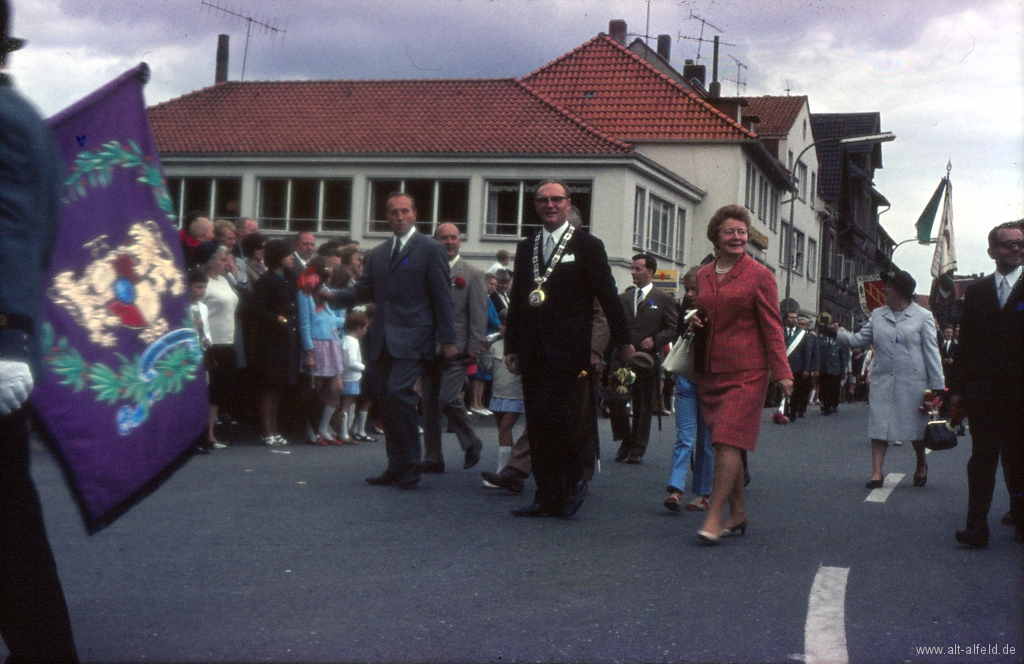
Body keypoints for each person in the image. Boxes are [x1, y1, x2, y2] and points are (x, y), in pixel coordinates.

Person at [0, 1, 79, 656]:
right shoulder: (22, 117)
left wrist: (7, 338)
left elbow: (13, 234)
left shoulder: (3, 120)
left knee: (10, 530)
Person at [504, 179, 633, 518]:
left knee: (559, 416)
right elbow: (519, 298)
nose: (550, 205)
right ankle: (546, 494)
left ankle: (574, 481)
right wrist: (511, 346)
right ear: (536, 206)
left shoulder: (587, 245)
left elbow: (608, 295)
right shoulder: (526, 246)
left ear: (568, 203)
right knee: (538, 418)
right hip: (532, 346)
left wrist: (623, 341)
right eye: (543, 200)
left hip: (569, 347)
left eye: (556, 200)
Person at [328, 192, 457, 490]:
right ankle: (395, 464)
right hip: (382, 338)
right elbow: (362, 290)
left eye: (404, 211)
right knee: (385, 400)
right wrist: (332, 296)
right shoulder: (380, 252)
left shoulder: (430, 249)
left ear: (414, 214)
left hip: (415, 336)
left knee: (400, 394)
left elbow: (442, 297)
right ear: (386, 217)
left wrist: (448, 340)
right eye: (393, 212)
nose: (398, 217)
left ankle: (412, 463)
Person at [690, 205, 792, 544]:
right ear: (716, 237)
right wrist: (691, 319)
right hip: (710, 371)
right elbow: (697, 311)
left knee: (727, 441)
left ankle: (714, 514)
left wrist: (782, 371)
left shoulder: (760, 275)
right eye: (730, 232)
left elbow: (772, 327)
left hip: (747, 371)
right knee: (724, 443)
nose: (737, 237)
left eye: (742, 232)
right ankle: (738, 513)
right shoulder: (704, 274)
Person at [830, 269, 944, 490]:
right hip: (883, 380)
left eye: (889, 286)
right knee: (879, 425)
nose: (885, 289)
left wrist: (937, 386)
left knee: (916, 430)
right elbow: (858, 339)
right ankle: (876, 473)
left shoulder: (923, 317)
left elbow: (932, 352)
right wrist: (835, 334)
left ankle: (921, 463)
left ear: (902, 291)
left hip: (913, 383)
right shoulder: (878, 315)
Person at [951, 221, 1024, 547]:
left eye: (1020, 244)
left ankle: (1021, 521)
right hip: (985, 393)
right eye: (1008, 244)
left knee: (1019, 459)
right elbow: (966, 345)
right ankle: (976, 527)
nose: (1016, 249)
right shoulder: (978, 292)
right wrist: (958, 391)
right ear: (992, 251)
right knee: (982, 459)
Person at [421, 222, 487, 472]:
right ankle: (433, 457)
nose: (449, 242)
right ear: (435, 241)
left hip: (458, 349)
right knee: (429, 404)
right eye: (443, 238)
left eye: (453, 237)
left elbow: (478, 314)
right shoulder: (425, 271)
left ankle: (471, 441)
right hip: (428, 347)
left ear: (460, 241)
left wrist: (473, 346)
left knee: (448, 399)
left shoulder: (472, 274)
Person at [609, 252, 678, 463]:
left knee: (643, 405)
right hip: (622, 359)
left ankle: (637, 449)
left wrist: (656, 339)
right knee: (616, 401)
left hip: (646, 361)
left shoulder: (663, 299)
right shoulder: (624, 298)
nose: (633, 272)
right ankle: (625, 440)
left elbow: (674, 328)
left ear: (649, 271)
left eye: (638, 268)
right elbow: (614, 326)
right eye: (632, 268)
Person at [663, 268, 715, 512]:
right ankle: (676, 489)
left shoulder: (718, 311)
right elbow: (677, 339)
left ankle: (703, 493)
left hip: (710, 383)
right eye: (688, 289)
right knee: (684, 437)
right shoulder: (683, 309)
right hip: (686, 381)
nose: (691, 294)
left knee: (705, 442)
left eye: (696, 289)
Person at [249, 239, 301, 446]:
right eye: (288, 254)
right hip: (271, 340)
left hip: (287, 339)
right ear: (278, 257)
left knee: (279, 387)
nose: (291, 258)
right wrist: (276, 318)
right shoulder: (266, 280)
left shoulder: (289, 278)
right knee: (269, 387)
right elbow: (255, 309)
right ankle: (266, 430)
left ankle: (275, 428)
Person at [298, 256, 346, 445]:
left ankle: (323, 427)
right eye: (324, 274)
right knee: (315, 390)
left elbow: (334, 319)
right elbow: (305, 324)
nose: (325, 278)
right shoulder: (305, 294)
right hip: (316, 345)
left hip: (331, 343)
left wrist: (350, 320)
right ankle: (312, 429)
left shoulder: (326, 293)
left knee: (336, 388)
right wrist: (308, 352)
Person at [199, 244, 240, 449]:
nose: (227, 263)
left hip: (227, 340)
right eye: (223, 260)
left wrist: (233, 274)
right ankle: (203, 434)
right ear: (212, 261)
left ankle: (210, 432)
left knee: (220, 389)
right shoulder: (202, 281)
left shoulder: (224, 280)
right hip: (210, 341)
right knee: (209, 387)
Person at [782, 308, 818, 420]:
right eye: (791, 317)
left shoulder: (802, 335)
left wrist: (806, 368)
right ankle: (783, 410)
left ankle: (793, 411)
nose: (794, 320)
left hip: (798, 367)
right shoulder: (780, 332)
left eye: (795, 318)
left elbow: (807, 353)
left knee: (796, 391)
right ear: (786, 319)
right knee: (783, 390)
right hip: (784, 366)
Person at [339, 311, 369, 443]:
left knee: (350, 403)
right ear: (358, 327)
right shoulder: (353, 342)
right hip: (351, 377)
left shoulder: (344, 340)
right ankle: (343, 433)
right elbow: (351, 362)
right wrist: (364, 367)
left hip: (347, 376)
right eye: (365, 327)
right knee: (346, 403)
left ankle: (346, 430)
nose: (366, 331)